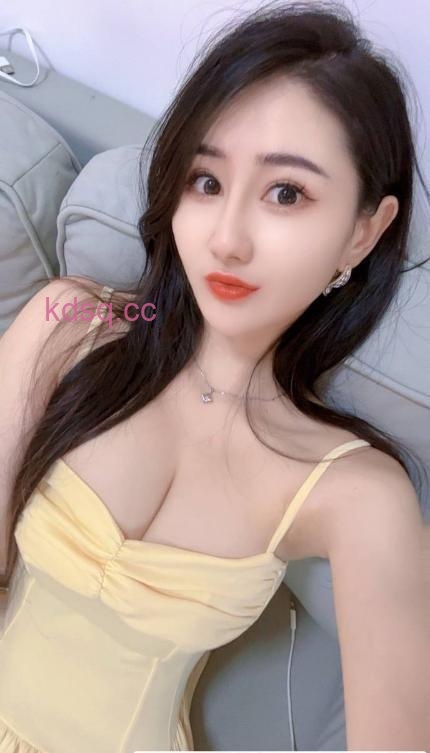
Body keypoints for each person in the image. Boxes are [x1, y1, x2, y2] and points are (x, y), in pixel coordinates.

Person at [0, 1, 429, 751]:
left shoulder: (359, 494)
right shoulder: (68, 324)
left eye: (286, 193)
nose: (227, 239)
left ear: (363, 232)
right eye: (205, 181)